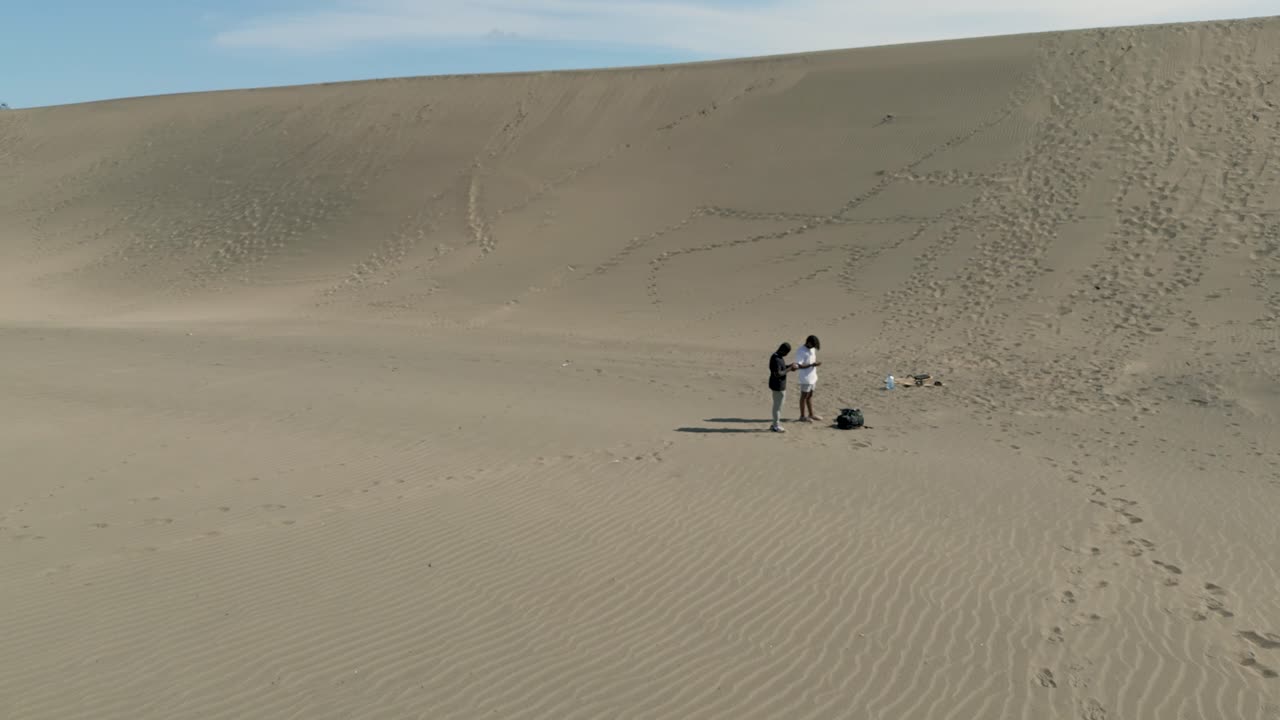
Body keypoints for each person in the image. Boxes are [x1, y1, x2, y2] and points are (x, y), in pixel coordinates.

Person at [768, 342, 798, 432]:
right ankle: (776, 426)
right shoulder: (776, 359)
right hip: (778, 386)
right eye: (786, 352)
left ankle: (774, 424)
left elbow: (782, 368)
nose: (786, 354)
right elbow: (778, 373)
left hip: (778, 385)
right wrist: (790, 369)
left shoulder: (777, 356)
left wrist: (789, 366)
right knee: (778, 407)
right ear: (783, 350)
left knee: (778, 406)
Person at [794, 335, 822, 422]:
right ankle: (802, 416)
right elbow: (799, 365)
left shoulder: (812, 349)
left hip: (813, 377)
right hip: (805, 378)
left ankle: (811, 414)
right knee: (804, 396)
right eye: (813, 345)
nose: (813, 347)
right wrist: (811, 365)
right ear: (808, 342)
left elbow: (811, 361)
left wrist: (814, 364)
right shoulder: (801, 351)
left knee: (810, 396)